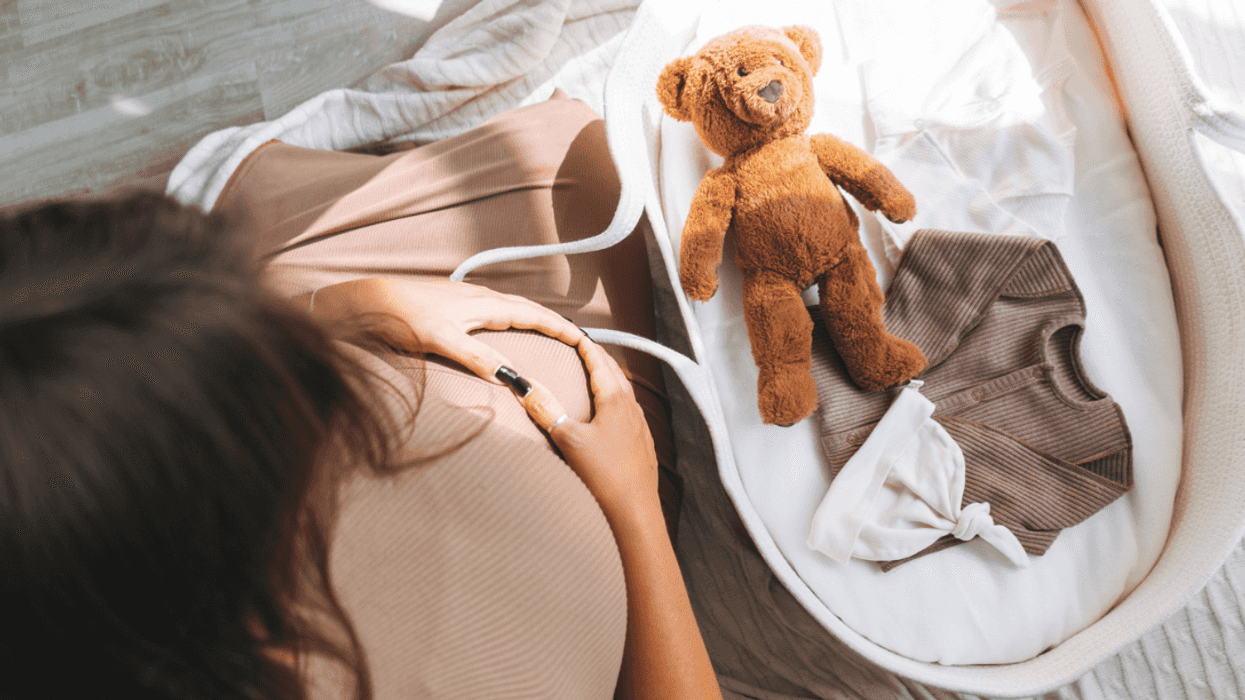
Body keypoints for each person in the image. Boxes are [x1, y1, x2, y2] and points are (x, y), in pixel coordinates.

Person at [0, 93, 723, 699]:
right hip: (600, 530)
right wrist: (634, 513)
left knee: (571, 158)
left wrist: (343, 306)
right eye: (287, 407)